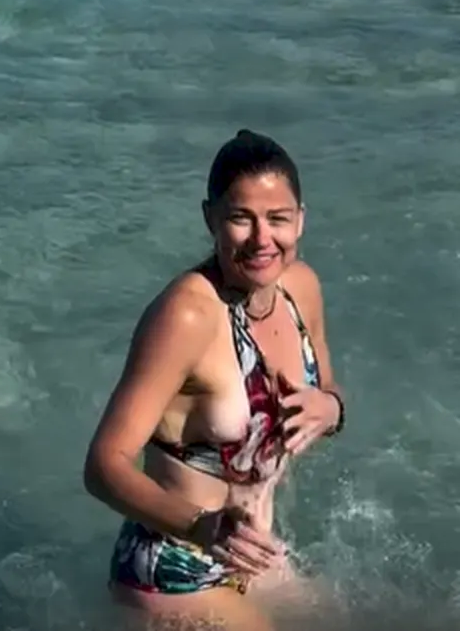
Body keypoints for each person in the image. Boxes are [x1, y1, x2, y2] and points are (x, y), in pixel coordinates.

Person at [84, 130, 344, 628]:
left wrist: (332, 408)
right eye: (240, 218)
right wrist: (204, 529)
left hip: (253, 557)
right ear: (211, 219)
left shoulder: (301, 289)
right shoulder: (186, 316)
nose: (262, 238)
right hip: (174, 567)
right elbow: (102, 466)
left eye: (278, 219)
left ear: (301, 220)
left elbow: (329, 390)